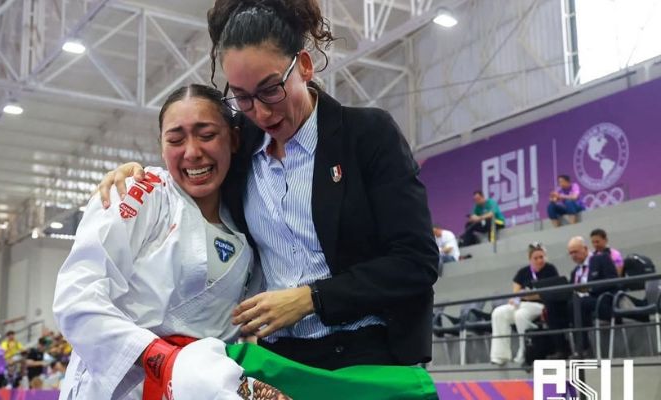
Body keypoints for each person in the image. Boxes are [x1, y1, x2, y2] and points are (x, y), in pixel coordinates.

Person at [98, 0, 438, 370]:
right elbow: (191, 167)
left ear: (304, 67)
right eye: (242, 97)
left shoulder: (367, 135)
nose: (260, 112)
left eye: (271, 89)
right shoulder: (240, 148)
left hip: (371, 357)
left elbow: (415, 261)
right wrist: (141, 178)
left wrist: (311, 298)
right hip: (280, 362)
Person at [54, 84, 262, 400]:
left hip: (196, 389)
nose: (192, 152)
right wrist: (158, 357)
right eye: (176, 139)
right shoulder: (140, 193)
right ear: (162, 146)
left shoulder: (248, 224)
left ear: (233, 138)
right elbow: (76, 297)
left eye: (206, 135)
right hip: (123, 387)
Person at [545, 236, 618, 358]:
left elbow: (613, 281)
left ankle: (584, 349)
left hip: (601, 301)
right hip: (578, 303)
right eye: (571, 253)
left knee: (578, 303)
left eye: (575, 251)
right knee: (552, 306)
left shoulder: (601, 259)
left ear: (585, 249)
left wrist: (589, 288)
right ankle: (562, 349)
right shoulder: (575, 272)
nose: (573, 255)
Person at [489, 243, 559, 365]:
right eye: (535, 258)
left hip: (540, 305)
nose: (539, 260)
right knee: (498, 313)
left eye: (541, 257)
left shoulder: (550, 270)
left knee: (520, 315)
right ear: (530, 259)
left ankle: (524, 352)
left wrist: (527, 295)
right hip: (521, 303)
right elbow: (516, 292)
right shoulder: (523, 272)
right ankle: (500, 355)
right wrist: (521, 296)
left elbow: (547, 293)